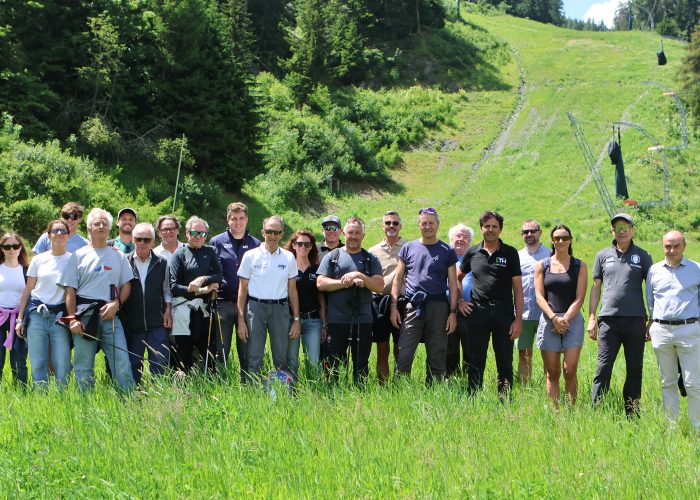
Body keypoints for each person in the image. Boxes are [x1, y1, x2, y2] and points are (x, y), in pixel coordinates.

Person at [59, 208, 134, 391]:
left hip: (111, 316)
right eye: (97, 223)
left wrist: (117, 304)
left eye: (104, 224)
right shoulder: (78, 255)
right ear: (89, 228)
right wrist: (73, 319)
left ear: (110, 229)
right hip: (84, 317)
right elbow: (69, 290)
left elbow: (127, 286)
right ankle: (85, 407)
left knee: (121, 360)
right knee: (83, 364)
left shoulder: (118, 255)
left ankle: (127, 400)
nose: (101, 226)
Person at [589, 213, 653, 416]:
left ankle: (632, 414)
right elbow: (596, 288)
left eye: (626, 227)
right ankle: (597, 411)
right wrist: (591, 317)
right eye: (618, 227)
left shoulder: (643, 256)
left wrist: (652, 320)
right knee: (603, 368)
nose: (622, 231)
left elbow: (652, 289)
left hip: (636, 320)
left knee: (634, 369)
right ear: (613, 231)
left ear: (632, 230)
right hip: (608, 321)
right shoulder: (602, 256)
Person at [458, 211, 523, 398]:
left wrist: (518, 320)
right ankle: (473, 399)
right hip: (478, 311)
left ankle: (505, 401)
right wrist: (460, 301)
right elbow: (457, 278)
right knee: (475, 358)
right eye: (487, 226)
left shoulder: (510, 253)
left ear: (500, 230)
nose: (491, 230)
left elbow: (518, 289)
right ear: (481, 228)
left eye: (495, 226)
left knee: (505, 360)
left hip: (504, 312)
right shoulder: (473, 252)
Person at [391, 208, 458, 384]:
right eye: (424, 223)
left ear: (437, 225)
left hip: (439, 307)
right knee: (404, 351)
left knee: (437, 353)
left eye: (431, 223)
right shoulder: (408, 248)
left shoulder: (447, 251)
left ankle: (434, 389)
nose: (427, 226)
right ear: (419, 225)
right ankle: (399, 390)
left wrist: (453, 312)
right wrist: (393, 307)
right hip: (413, 306)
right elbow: (397, 280)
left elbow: (453, 284)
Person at [317, 217, 383, 384]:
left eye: (357, 233)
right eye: (350, 232)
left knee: (361, 363)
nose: (353, 236)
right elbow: (321, 283)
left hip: (363, 320)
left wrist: (360, 276)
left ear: (363, 235)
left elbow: (379, 286)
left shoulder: (370, 259)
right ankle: (332, 393)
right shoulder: (333, 256)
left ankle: (360, 396)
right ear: (344, 233)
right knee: (334, 363)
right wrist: (344, 283)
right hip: (337, 320)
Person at [646, 230, 700, 433]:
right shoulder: (654, 270)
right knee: (667, 381)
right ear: (663, 246)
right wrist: (656, 324)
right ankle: (672, 427)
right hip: (661, 330)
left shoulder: (696, 269)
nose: (672, 250)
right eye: (668, 246)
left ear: (684, 247)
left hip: (689, 329)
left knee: (693, 382)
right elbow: (650, 301)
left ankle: (697, 429)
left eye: (676, 246)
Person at [236, 215, 300, 381]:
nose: (272, 235)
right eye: (269, 231)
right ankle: (253, 391)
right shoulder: (250, 256)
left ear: (282, 234)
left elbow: (293, 291)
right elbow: (242, 290)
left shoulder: (288, 257)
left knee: (281, 357)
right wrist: (241, 320)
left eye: (276, 232)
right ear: (263, 232)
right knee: (254, 355)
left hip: (280, 309)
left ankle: (281, 392)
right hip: (255, 308)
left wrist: (297, 319)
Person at [534, 225, 588, 406]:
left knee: (570, 370)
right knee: (552, 371)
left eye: (564, 238)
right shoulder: (542, 265)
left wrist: (565, 319)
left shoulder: (579, 266)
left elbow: (580, 297)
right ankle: (555, 413)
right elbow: (539, 296)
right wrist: (554, 318)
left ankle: (571, 410)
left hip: (572, 321)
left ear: (571, 240)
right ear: (552, 240)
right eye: (557, 238)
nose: (560, 241)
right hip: (549, 320)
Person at [16, 221, 72, 387]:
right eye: (55, 231)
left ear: (68, 235)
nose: (59, 233)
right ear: (49, 236)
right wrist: (20, 318)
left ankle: (64, 396)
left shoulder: (74, 259)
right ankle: (41, 396)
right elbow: (28, 290)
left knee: (62, 361)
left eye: (63, 230)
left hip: (60, 317)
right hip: (36, 315)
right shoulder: (39, 259)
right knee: (38, 360)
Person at [209, 202, 260, 379]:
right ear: (228, 219)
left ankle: (247, 384)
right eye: (234, 218)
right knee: (221, 349)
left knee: (246, 348)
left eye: (241, 218)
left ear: (247, 220)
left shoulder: (256, 244)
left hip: (248, 305)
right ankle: (221, 383)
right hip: (223, 303)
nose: (238, 222)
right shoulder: (216, 242)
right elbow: (212, 270)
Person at [169, 216, 222, 373]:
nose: (198, 236)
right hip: (184, 312)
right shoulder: (180, 254)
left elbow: (219, 276)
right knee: (184, 354)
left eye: (202, 233)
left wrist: (203, 278)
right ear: (187, 233)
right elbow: (174, 287)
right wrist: (202, 290)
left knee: (208, 354)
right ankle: (184, 389)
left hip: (205, 311)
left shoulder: (211, 251)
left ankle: (210, 388)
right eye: (194, 233)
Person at [122, 222, 172, 384]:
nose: (142, 243)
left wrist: (168, 310)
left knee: (159, 365)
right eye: (138, 239)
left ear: (153, 241)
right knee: (133, 366)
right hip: (133, 326)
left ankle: (160, 401)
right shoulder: (124, 261)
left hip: (157, 323)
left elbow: (166, 290)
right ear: (133, 240)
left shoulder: (162, 262)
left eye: (146, 239)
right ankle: (134, 400)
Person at [368, 210, 406, 384]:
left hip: (402, 302)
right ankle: (383, 386)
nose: (391, 226)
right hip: (379, 301)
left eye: (395, 223)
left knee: (401, 347)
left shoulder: (409, 247)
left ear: (400, 226)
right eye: (388, 223)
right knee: (382, 348)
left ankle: (400, 385)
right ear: (382, 226)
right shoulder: (373, 251)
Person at [285, 229, 326, 379]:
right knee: (292, 361)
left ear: (312, 246)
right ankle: (291, 394)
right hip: (291, 320)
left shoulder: (317, 269)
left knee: (313, 362)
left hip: (313, 321)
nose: (303, 247)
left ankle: (314, 394)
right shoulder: (286, 267)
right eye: (299, 243)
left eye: (307, 244)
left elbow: (321, 297)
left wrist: (324, 323)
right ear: (293, 245)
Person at [517, 219, 550, 385]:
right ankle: (524, 389)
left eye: (533, 231)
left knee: (548, 353)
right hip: (522, 313)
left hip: (545, 314)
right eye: (525, 232)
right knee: (524, 353)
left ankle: (549, 388)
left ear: (540, 233)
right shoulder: (517, 256)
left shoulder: (551, 255)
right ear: (521, 235)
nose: (529, 234)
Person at [0, 233, 29, 385]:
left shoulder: (27, 271)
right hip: (0, 316)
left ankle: (21, 392)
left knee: (19, 360)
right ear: (2, 249)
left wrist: (22, 318)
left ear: (20, 248)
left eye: (15, 246)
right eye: (7, 246)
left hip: (19, 318)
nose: (11, 249)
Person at [446, 223, 474, 379]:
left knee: (471, 351)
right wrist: (458, 302)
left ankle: (470, 382)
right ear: (451, 239)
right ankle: (451, 381)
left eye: (465, 237)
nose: (461, 239)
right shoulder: (445, 258)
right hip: (448, 312)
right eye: (458, 236)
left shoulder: (476, 258)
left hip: (471, 313)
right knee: (450, 350)